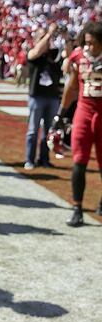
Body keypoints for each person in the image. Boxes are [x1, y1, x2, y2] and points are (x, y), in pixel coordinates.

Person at [58, 21, 102, 227]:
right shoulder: (78, 56)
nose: (89, 47)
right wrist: (61, 114)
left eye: (93, 43)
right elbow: (72, 85)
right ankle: (77, 208)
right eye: (87, 43)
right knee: (79, 160)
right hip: (84, 110)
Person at [24, 23, 63, 169]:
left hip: (52, 97)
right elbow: (35, 52)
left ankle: (44, 159)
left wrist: (66, 39)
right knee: (33, 130)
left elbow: (65, 56)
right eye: (42, 38)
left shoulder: (53, 54)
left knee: (48, 131)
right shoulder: (33, 54)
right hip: (37, 96)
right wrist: (48, 34)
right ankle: (29, 159)